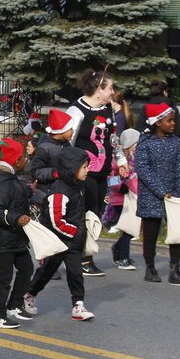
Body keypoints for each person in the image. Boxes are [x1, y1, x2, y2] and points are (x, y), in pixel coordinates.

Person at [22, 147, 95, 321]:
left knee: (76, 273)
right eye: (84, 167)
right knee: (46, 272)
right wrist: (76, 231)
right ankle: (30, 294)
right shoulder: (59, 192)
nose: (88, 170)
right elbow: (56, 221)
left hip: (73, 243)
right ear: (72, 169)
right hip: (58, 241)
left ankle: (78, 305)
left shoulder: (78, 187)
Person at [66, 69, 127, 277]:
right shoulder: (77, 110)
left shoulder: (107, 110)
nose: (113, 92)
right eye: (110, 87)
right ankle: (83, 259)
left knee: (97, 213)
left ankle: (82, 255)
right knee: (85, 213)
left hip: (103, 173)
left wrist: (121, 159)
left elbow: (112, 138)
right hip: (84, 173)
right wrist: (70, 170)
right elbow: (68, 141)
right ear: (99, 89)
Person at [135, 102, 180, 283]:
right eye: (170, 120)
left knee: (177, 232)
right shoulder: (144, 143)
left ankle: (175, 268)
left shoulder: (175, 142)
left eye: (174, 120)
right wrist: (161, 190)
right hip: (152, 195)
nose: (174, 124)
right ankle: (150, 267)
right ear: (158, 122)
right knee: (150, 233)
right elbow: (143, 170)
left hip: (174, 195)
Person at [0, 138, 34, 328]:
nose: (27, 160)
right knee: (4, 278)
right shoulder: (3, 183)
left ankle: (14, 305)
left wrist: (27, 191)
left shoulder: (8, 179)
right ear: (17, 161)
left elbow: (15, 195)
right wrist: (16, 219)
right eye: (24, 157)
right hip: (2, 239)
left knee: (27, 268)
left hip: (15, 237)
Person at [27, 108, 78, 206]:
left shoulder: (67, 145)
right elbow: (35, 171)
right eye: (70, 129)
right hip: (47, 192)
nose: (73, 131)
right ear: (61, 130)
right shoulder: (44, 148)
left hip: (64, 191)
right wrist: (55, 173)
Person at [107, 128, 140, 271]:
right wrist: (120, 187)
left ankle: (119, 249)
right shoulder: (117, 160)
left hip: (133, 197)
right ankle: (122, 256)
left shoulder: (136, 158)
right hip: (121, 199)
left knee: (131, 228)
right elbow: (110, 179)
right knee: (129, 229)